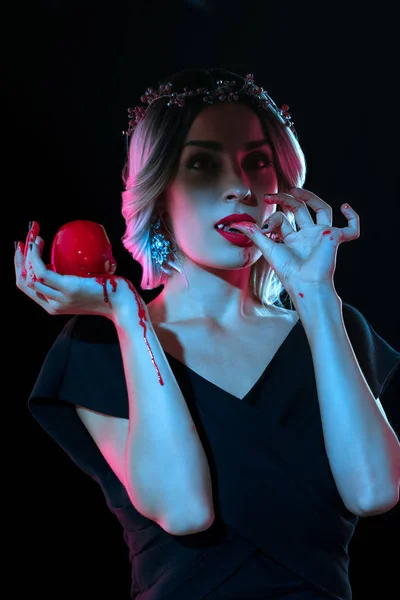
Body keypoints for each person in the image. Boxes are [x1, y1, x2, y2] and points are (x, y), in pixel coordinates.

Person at [16, 68, 400, 600]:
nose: (238, 186)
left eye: (257, 162)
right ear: (159, 190)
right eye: (201, 162)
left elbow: (374, 490)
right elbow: (184, 509)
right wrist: (130, 316)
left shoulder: (333, 327)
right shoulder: (99, 348)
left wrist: (318, 300)